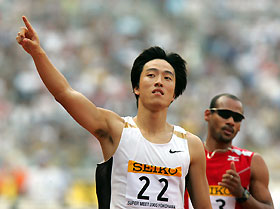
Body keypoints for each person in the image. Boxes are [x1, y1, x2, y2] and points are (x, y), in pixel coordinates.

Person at [16, 16, 212, 209]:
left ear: (174, 94)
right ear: (136, 87)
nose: (159, 81)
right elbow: (64, 93)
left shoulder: (191, 145)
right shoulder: (116, 130)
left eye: (167, 78)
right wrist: (37, 53)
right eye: (151, 75)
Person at [185, 93, 274, 209]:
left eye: (237, 118)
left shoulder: (252, 162)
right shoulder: (186, 154)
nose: (231, 121)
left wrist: (242, 194)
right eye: (225, 114)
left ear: (240, 125)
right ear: (207, 115)